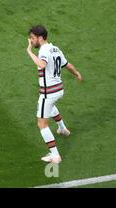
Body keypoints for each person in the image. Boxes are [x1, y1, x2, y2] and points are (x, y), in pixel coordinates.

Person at [26, 25, 82, 163]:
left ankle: (55, 155)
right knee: (50, 108)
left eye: (32, 38)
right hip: (58, 90)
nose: (31, 41)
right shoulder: (55, 48)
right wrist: (77, 74)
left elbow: (42, 64)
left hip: (48, 92)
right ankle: (62, 129)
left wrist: (29, 51)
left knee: (42, 124)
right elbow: (67, 65)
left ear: (40, 38)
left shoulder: (44, 50)